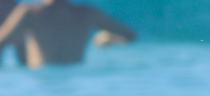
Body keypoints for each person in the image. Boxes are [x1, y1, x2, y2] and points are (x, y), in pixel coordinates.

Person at [0, 0, 135, 69]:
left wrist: (18, 44)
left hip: (41, 81)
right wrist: (108, 38)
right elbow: (130, 35)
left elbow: (2, 41)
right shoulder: (88, 14)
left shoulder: (30, 12)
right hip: (76, 80)